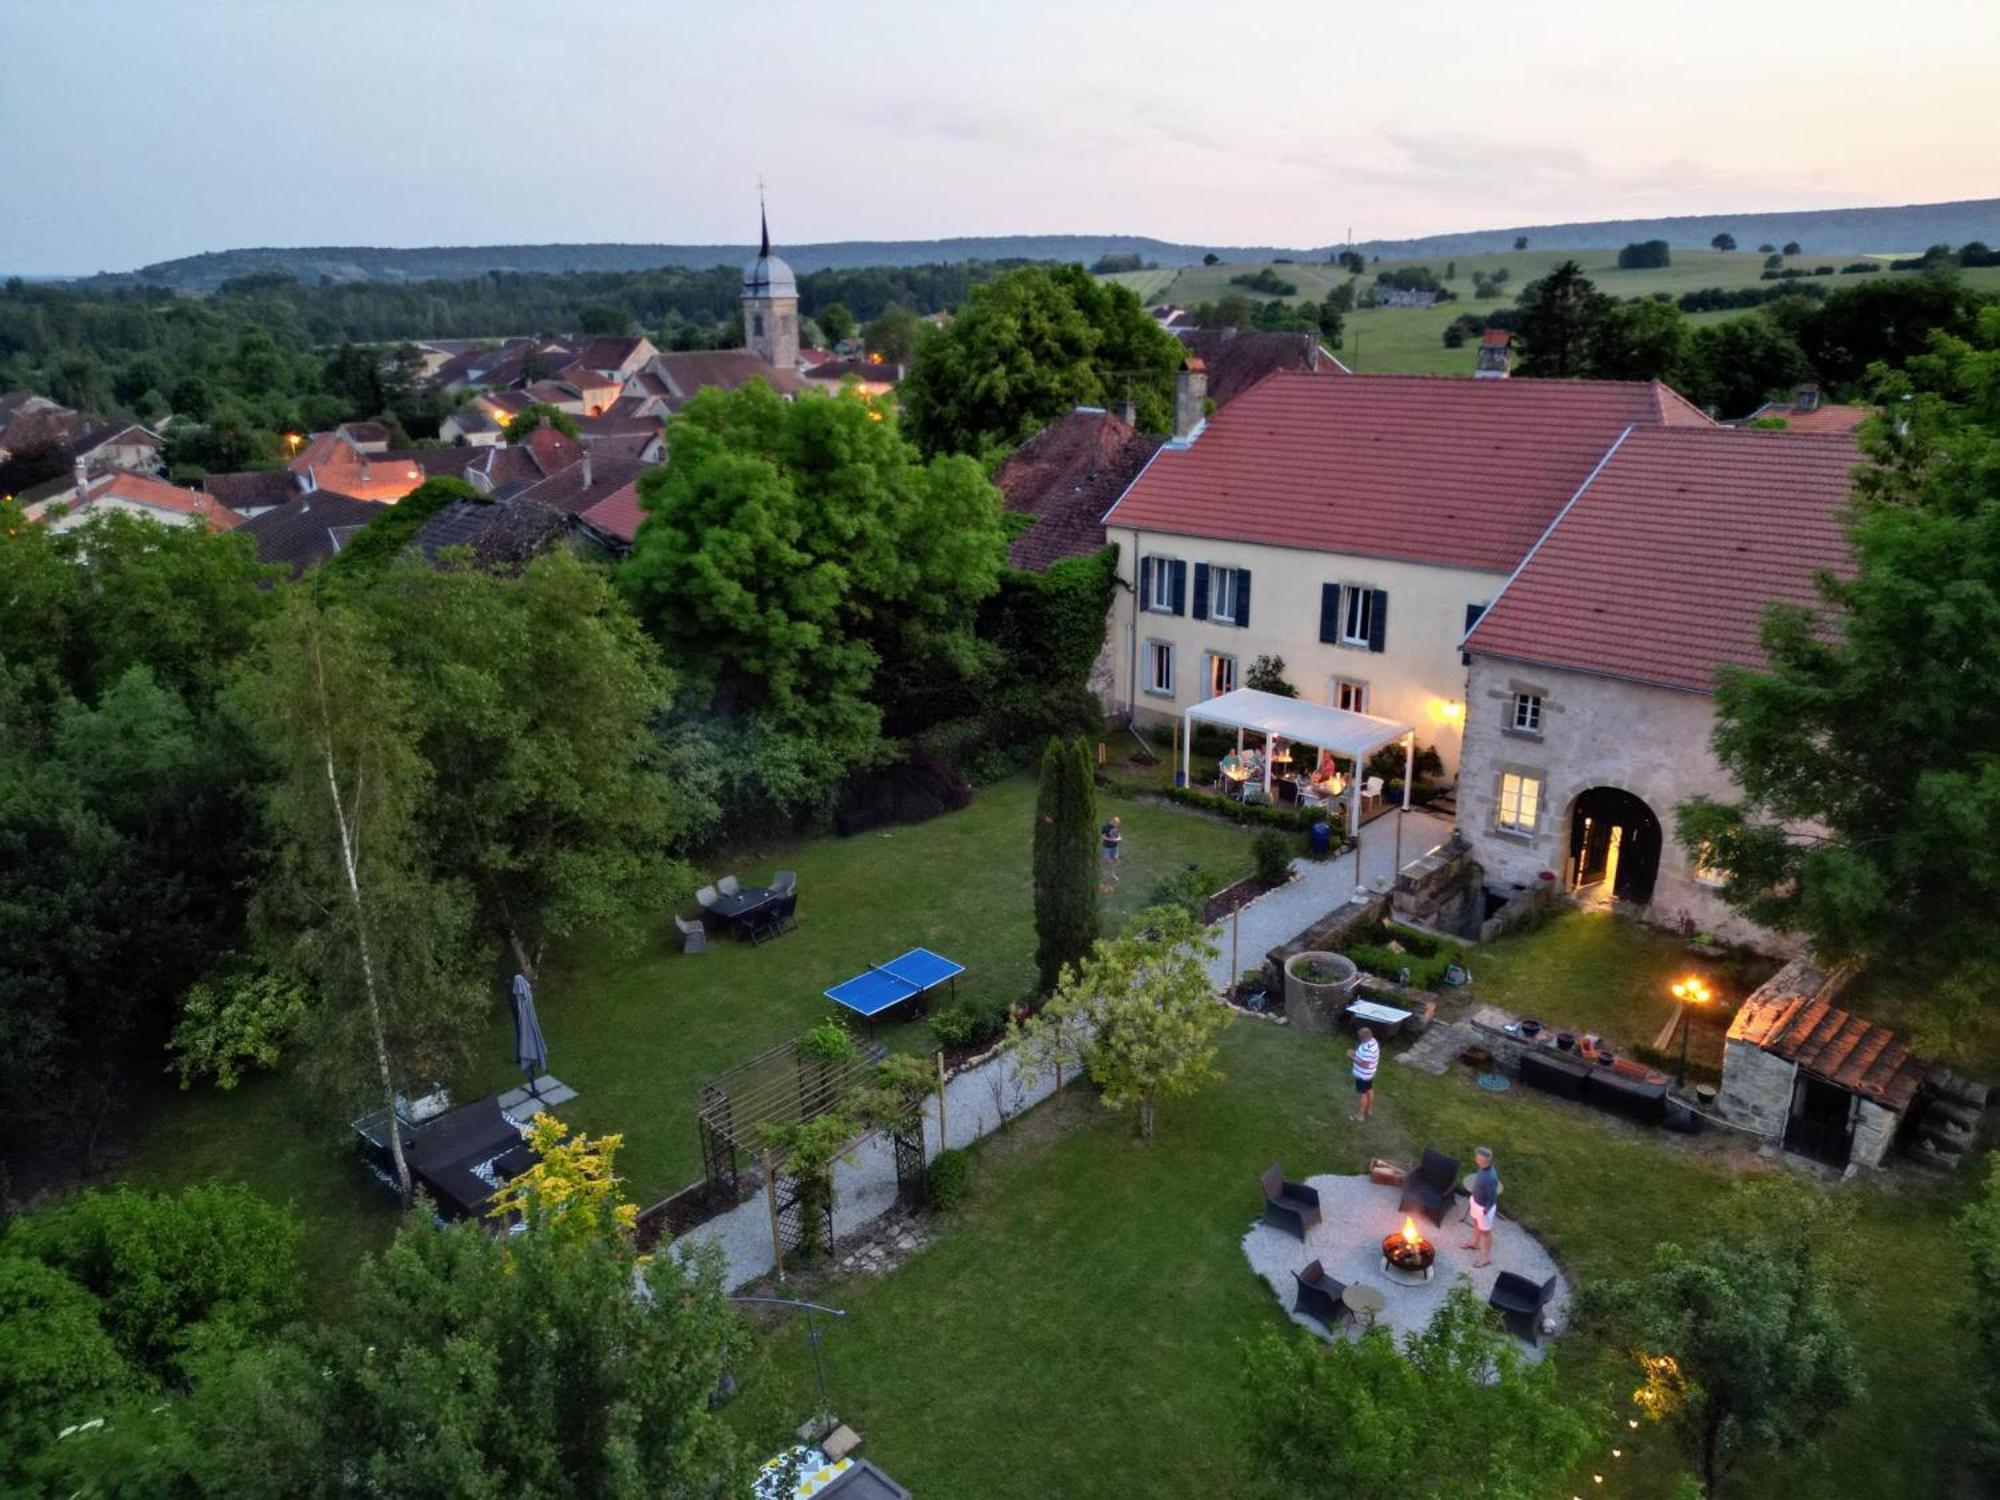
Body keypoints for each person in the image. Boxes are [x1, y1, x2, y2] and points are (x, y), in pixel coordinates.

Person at [1464, 1146, 1500, 1267]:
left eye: (1478, 1159)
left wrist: (1486, 1210)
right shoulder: (1483, 1168)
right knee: (1475, 1222)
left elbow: (1492, 1197)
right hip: (1476, 1201)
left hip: (1484, 1208)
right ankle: (1474, 1243)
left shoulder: (1491, 1178)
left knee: (1486, 1232)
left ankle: (1486, 1258)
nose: (1475, 1160)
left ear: (1485, 1161)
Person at [1347, 1026, 1379, 1123]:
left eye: (1360, 1037)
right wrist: (1356, 1054)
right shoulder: (1373, 1041)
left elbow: (1365, 1064)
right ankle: (1369, 1110)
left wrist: (1351, 1057)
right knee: (1369, 1090)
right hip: (1369, 1074)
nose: (1359, 1038)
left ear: (1363, 1038)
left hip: (1363, 1075)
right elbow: (1364, 1057)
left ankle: (1360, 1116)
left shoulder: (1367, 1050)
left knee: (1363, 1094)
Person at [1100, 814, 1122, 890]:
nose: (1117, 826)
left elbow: (1118, 834)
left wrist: (1119, 838)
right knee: (1109, 861)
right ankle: (1103, 864)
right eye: (1116, 824)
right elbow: (1103, 837)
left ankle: (1113, 875)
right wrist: (1111, 840)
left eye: (1118, 824)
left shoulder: (1116, 827)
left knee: (1115, 860)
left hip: (1115, 847)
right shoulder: (1105, 827)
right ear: (1112, 821)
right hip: (1107, 848)